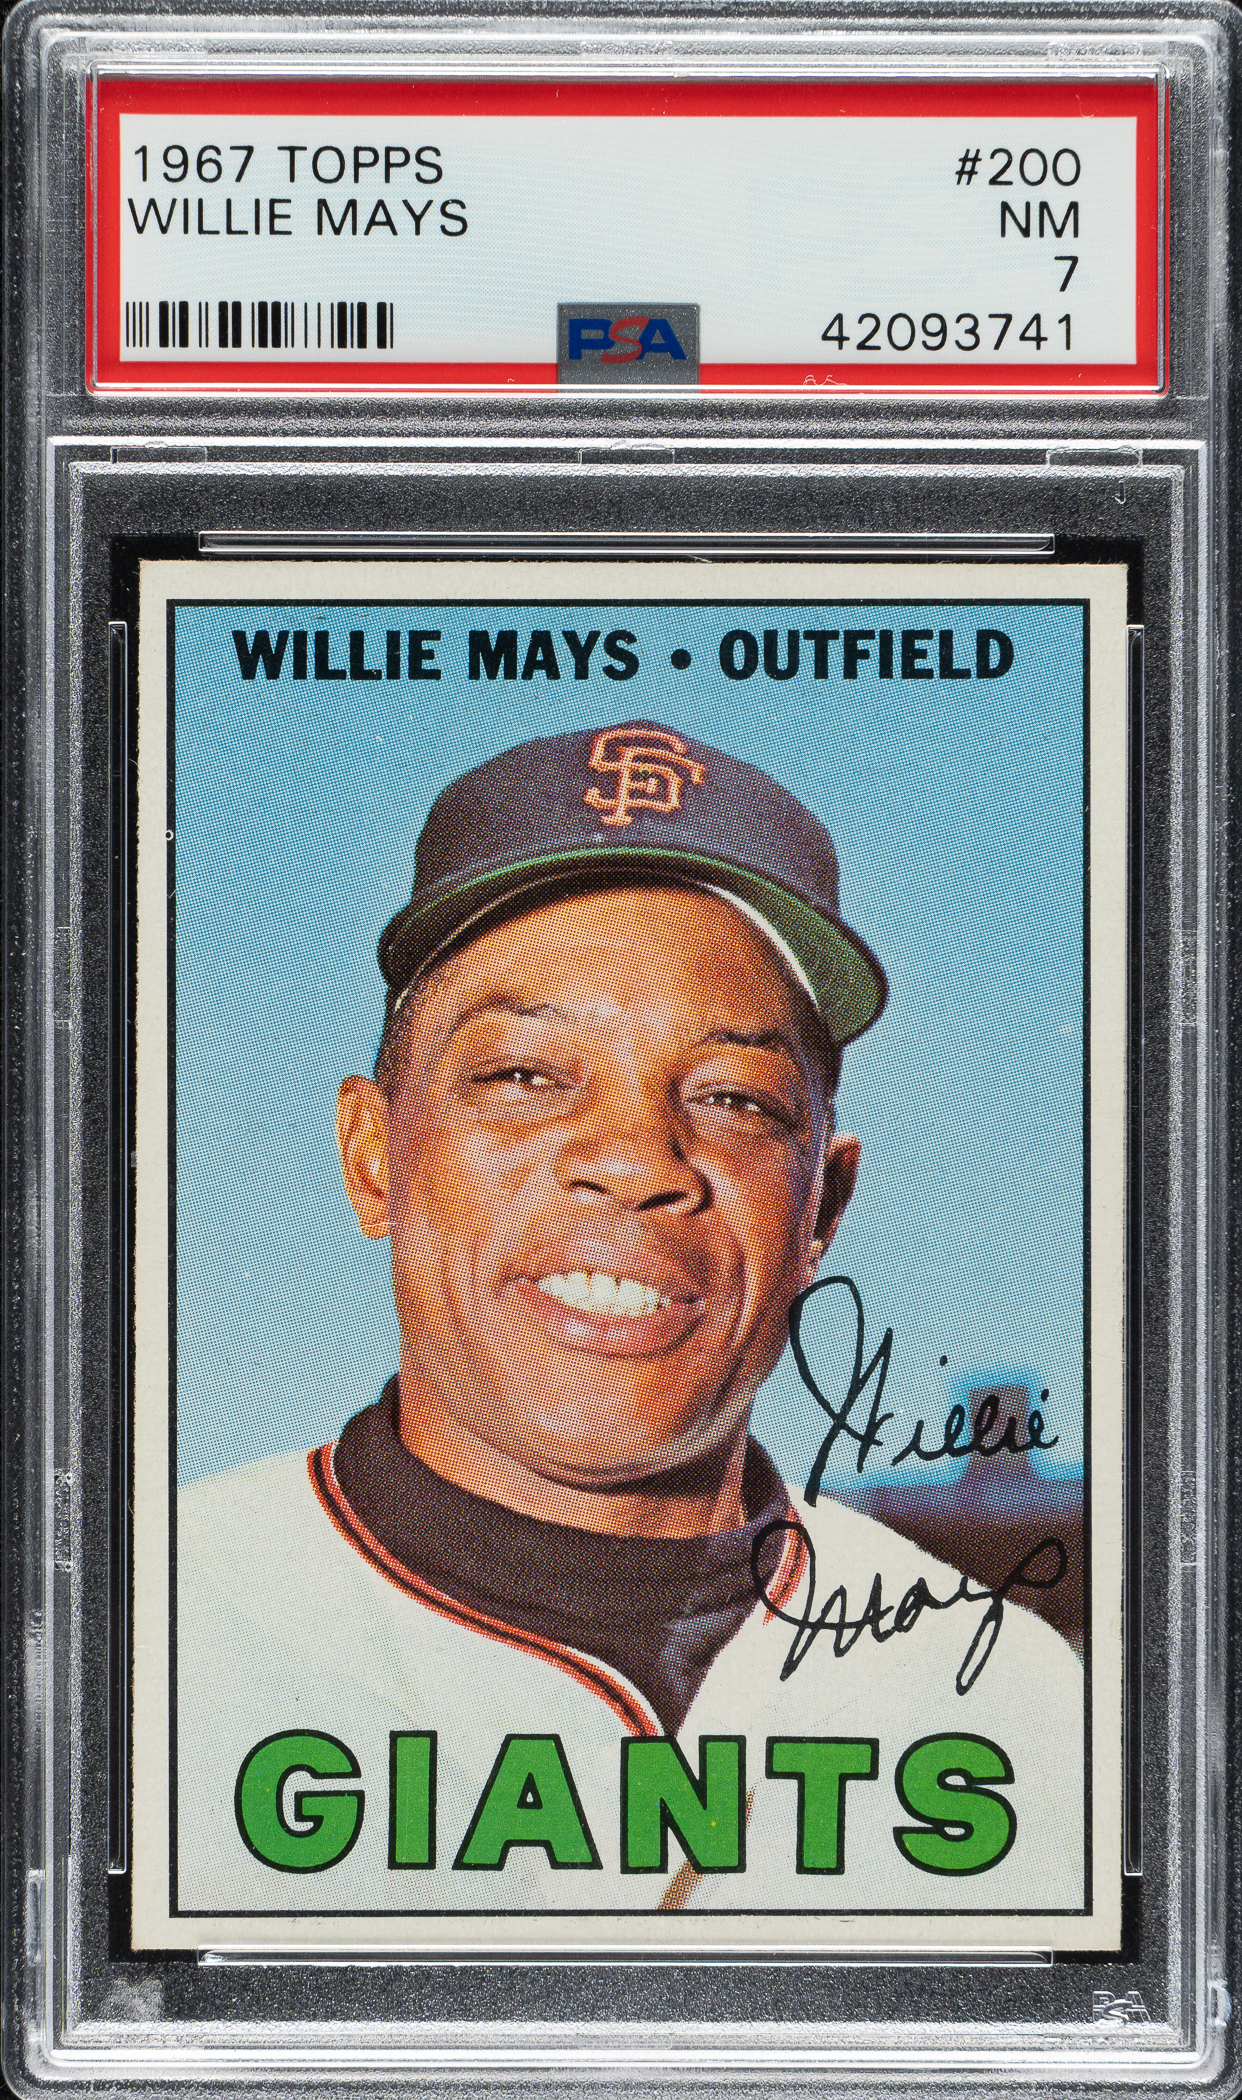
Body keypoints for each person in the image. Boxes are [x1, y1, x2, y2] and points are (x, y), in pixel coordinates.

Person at [176, 722, 1086, 1927]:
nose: (636, 1160)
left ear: (822, 1207)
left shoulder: (1013, 1711)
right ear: (372, 1156)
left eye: (734, 1097)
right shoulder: (135, 1645)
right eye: (523, 1077)